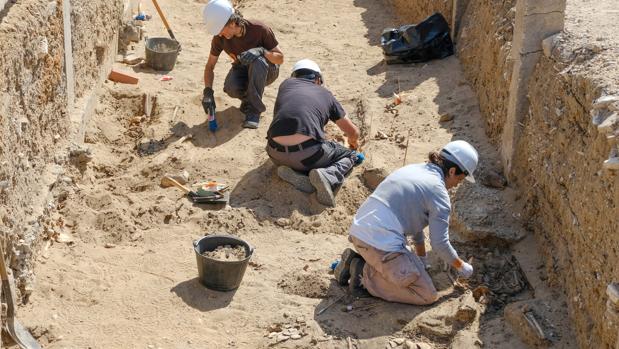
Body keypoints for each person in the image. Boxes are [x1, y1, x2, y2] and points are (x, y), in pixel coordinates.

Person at [334, 140, 479, 304]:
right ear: (452, 171)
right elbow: (440, 243)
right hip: (378, 242)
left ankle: (364, 263)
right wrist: (461, 266)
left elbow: (414, 222)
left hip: (360, 232)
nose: (456, 185)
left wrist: (422, 257)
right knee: (425, 294)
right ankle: (362, 273)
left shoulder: (414, 169)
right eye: (459, 180)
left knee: (413, 266)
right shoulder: (439, 193)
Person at [266, 59, 363, 207]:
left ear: (294, 76)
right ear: (318, 79)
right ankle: (328, 176)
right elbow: (353, 132)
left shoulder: (285, 85)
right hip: (308, 156)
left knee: (306, 150)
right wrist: (353, 143)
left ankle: (299, 174)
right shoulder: (325, 94)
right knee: (351, 156)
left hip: (274, 153)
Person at [201, 0, 284, 130]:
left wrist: (261, 51)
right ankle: (249, 100)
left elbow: (280, 59)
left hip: (268, 70)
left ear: (233, 23)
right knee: (231, 87)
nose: (220, 34)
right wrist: (208, 92)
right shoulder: (220, 38)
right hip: (243, 68)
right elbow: (210, 66)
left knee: (258, 61)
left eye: (221, 30)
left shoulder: (259, 29)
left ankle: (254, 111)